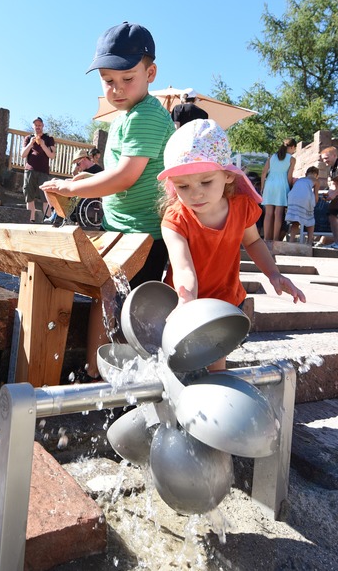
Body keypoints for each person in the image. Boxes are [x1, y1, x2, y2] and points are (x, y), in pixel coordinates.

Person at [41, 22, 174, 380]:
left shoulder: (145, 115)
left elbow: (127, 176)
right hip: (126, 231)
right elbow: (119, 170)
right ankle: (99, 373)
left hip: (144, 235)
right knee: (109, 299)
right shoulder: (126, 116)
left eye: (126, 79)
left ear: (151, 73)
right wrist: (89, 178)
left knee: (127, 309)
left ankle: (114, 378)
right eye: (107, 80)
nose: (116, 89)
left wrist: (73, 190)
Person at [160, 120, 305, 371]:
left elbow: (254, 241)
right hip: (182, 301)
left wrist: (274, 273)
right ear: (172, 184)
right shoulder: (175, 219)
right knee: (179, 365)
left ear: (227, 175)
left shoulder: (241, 208)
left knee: (215, 365)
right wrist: (187, 301)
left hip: (226, 300)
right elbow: (183, 267)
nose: (196, 194)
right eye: (183, 186)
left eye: (206, 182)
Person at [261, 138, 297, 242]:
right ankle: (275, 239)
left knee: (268, 214)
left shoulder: (272, 157)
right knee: (278, 214)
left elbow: (264, 173)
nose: (294, 151)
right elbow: (289, 176)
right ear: (292, 147)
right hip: (282, 185)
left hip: (269, 185)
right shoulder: (292, 159)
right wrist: (290, 187)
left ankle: (266, 239)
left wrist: (263, 187)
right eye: (294, 148)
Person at [22, 116, 56, 222]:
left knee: (46, 197)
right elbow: (23, 154)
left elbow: (52, 155)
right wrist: (31, 144)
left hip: (43, 171)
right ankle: (31, 220)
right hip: (30, 170)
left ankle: (47, 220)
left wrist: (43, 145)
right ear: (33, 126)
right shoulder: (28, 138)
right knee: (29, 196)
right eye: (36, 125)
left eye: (39, 125)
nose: (38, 127)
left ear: (43, 126)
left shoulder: (49, 139)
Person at [285, 166, 319, 243]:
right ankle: (310, 241)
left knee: (295, 220)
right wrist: (314, 204)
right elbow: (316, 196)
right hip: (305, 198)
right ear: (316, 175)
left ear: (306, 174)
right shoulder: (316, 181)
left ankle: (291, 240)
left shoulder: (299, 180)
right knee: (311, 220)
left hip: (292, 198)